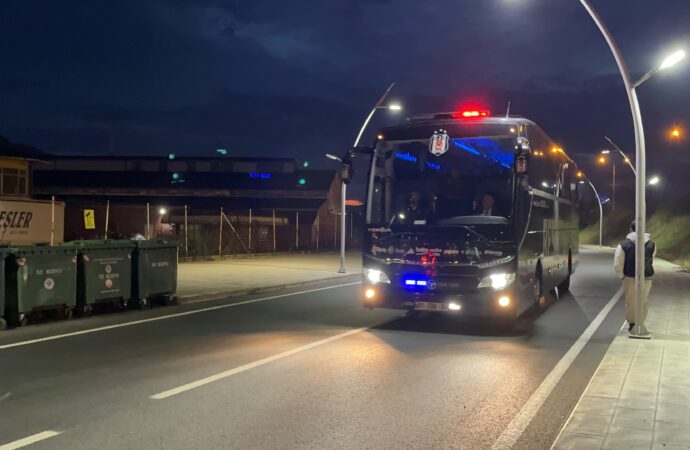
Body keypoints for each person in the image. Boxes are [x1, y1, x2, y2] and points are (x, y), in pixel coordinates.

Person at [614, 220, 656, 332]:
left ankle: (632, 324)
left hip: (630, 277)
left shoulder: (623, 245)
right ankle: (641, 322)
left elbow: (618, 262)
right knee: (643, 300)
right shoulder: (652, 244)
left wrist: (622, 276)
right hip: (647, 277)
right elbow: (652, 259)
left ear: (631, 229)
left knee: (631, 301)